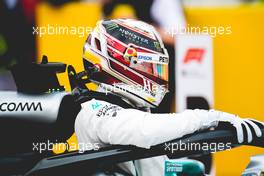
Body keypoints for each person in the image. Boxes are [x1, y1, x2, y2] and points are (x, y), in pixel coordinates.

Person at [74, 19, 263, 176]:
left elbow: (153, 164)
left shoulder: (131, 110)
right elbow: (144, 130)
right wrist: (210, 117)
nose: (154, 75)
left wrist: (183, 166)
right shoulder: (94, 112)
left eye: (157, 69)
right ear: (118, 63)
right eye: (147, 67)